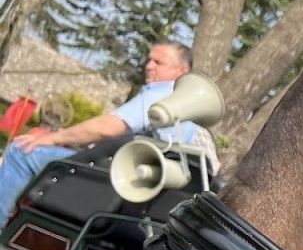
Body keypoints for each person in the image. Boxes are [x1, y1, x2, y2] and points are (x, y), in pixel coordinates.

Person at [0, 41, 213, 219]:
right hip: (135, 190)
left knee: (21, 151)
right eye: (149, 60)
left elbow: (107, 128)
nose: (149, 66)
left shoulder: (161, 96)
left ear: (182, 71)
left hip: (109, 181)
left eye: (159, 62)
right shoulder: (189, 113)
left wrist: (53, 139)